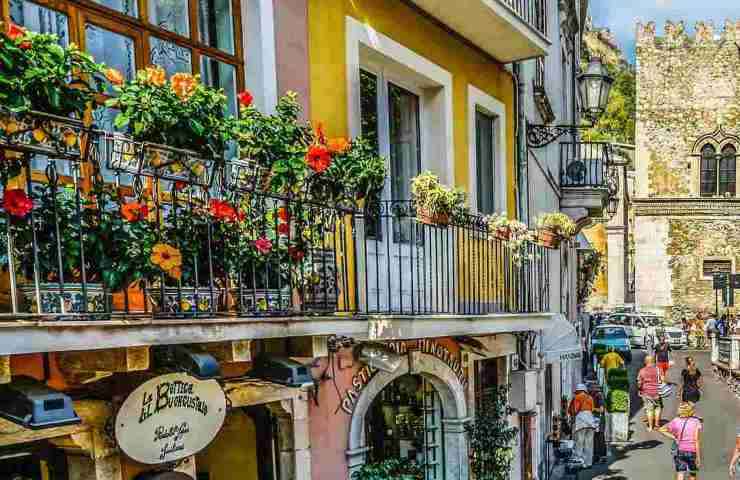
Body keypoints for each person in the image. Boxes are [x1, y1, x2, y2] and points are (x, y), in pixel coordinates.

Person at [658, 402, 702, 480]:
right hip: (692, 450)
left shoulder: (676, 420)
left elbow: (662, 429)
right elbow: (696, 440)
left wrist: (674, 437)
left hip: (680, 450)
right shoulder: (696, 422)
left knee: (680, 472)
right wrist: (698, 457)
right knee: (692, 473)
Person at [568, 383, 596, 468]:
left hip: (581, 420)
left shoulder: (577, 397)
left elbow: (575, 410)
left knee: (579, 442)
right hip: (590, 420)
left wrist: (572, 416)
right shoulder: (590, 398)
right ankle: (588, 463)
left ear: (578, 390)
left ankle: (579, 461)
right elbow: (592, 409)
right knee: (589, 443)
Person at [638, 355, 663, 431]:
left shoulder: (642, 371)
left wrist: (640, 390)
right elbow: (662, 380)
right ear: (653, 361)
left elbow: (639, 383)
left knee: (649, 410)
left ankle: (650, 427)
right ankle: (657, 425)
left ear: (645, 362)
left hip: (646, 392)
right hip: (657, 392)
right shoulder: (659, 369)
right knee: (658, 408)